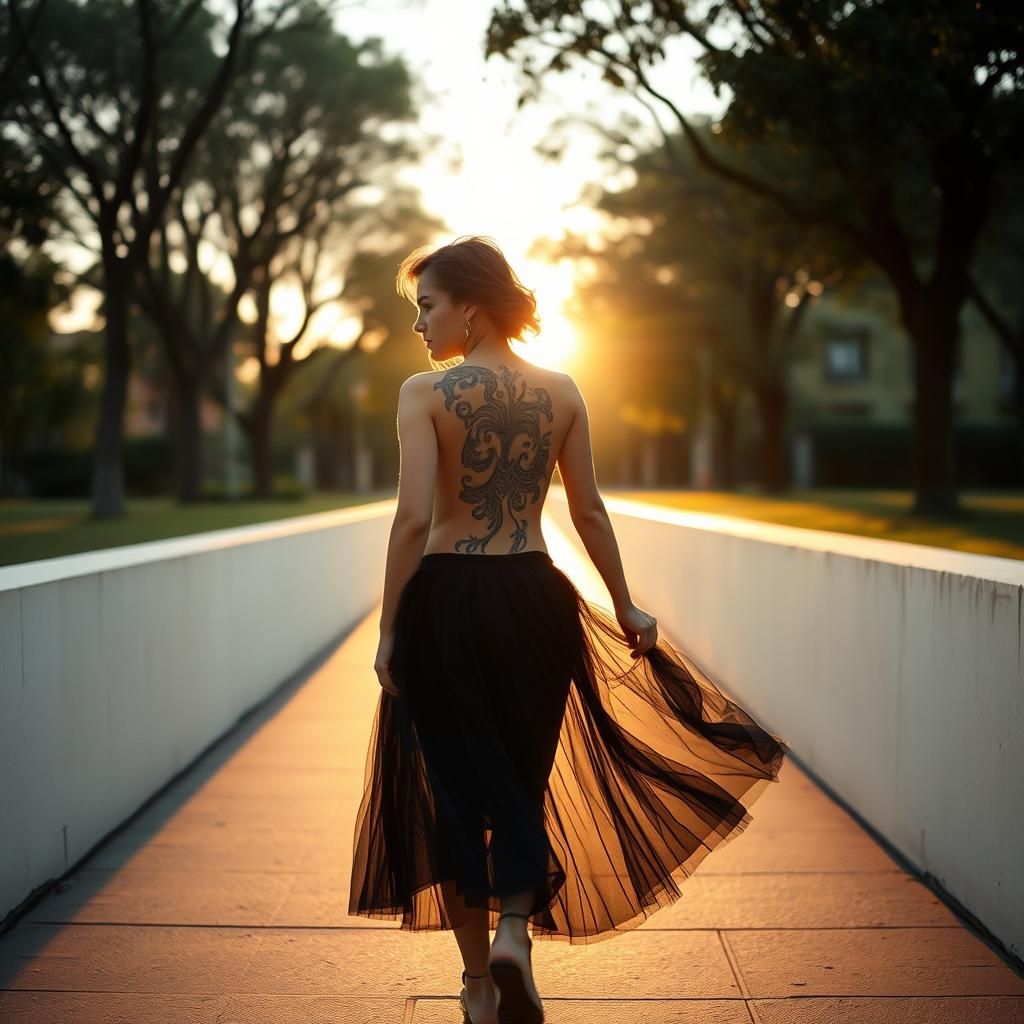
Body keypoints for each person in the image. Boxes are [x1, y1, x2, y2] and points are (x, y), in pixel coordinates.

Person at [348, 235, 790, 1024]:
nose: (419, 326)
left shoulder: (424, 395)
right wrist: (625, 604)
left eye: (427, 306)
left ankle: (478, 987)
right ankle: (517, 929)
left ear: (469, 307)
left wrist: (390, 629)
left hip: (447, 605)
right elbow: (587, 510)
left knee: (454, 793)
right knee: (521, 781)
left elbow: (414, 519)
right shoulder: (563, 390)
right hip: (536, 602)